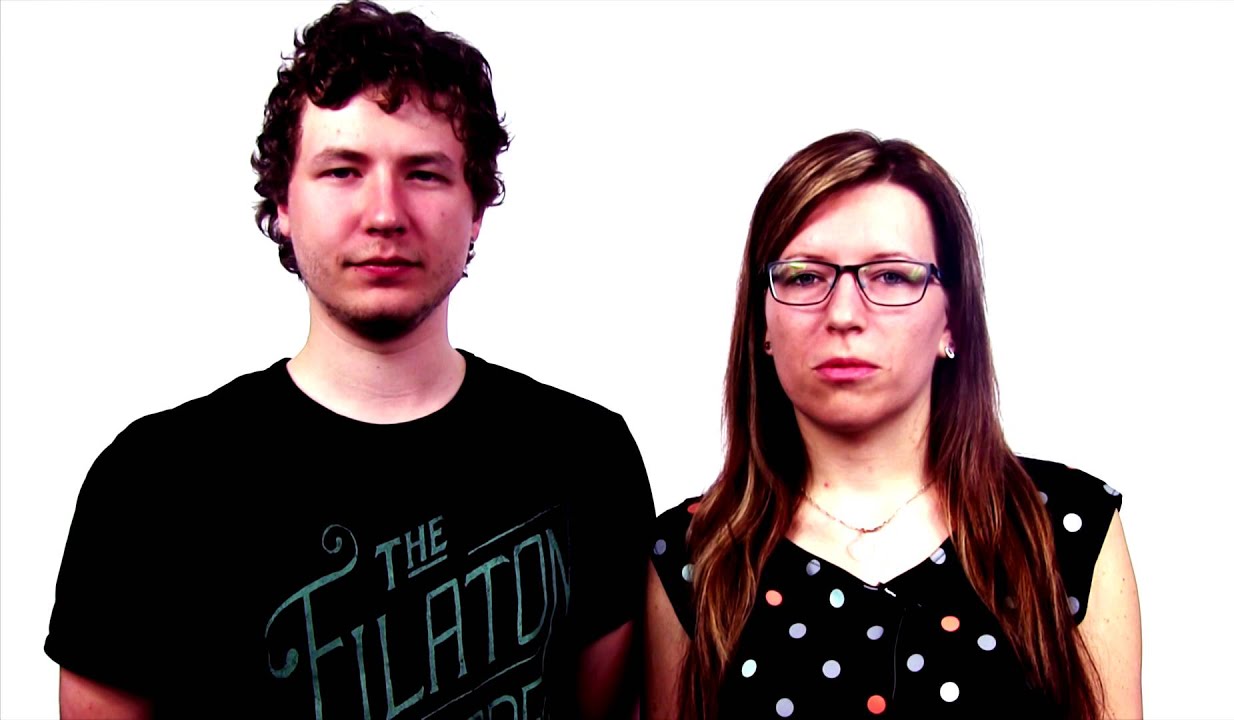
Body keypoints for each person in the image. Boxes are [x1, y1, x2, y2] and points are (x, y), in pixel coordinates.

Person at [44, 2, 655, 718]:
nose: (385, 214)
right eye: (342, 171)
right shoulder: (150, 483)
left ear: (477, 208)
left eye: (423, 174)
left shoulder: (586, 456)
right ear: (282, 203)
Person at [644, 131, 1141, 719]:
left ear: (953, 320)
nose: (843, 314)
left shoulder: (1066, 527)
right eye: (803, 276)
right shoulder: (694, 554)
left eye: (891, 276)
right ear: (762, 325)